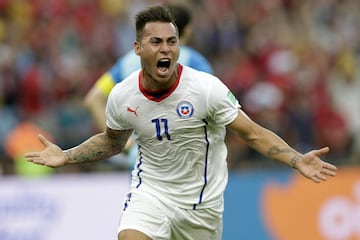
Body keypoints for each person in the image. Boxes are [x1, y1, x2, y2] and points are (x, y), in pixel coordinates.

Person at [25, 6, 337, 240]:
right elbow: (112, 142)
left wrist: (296, 160)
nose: (166, 49)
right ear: (138, 49)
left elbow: (253, 134)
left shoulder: (205, 88)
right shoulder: (123, 96)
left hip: (201, 207)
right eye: (156, 41)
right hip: (151, 193)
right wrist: (67, 155)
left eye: (171, 41)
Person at [83, 3, 213, 169]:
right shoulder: (194, 62)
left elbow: (93, 99)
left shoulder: (128, 61)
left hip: (141, 161)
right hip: (183, 163)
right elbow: (212, 106)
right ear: (187, 30)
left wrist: (121, 143)